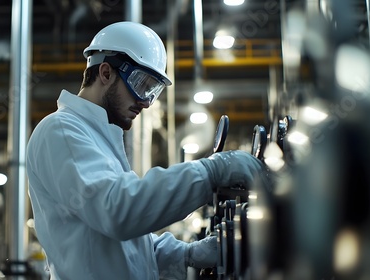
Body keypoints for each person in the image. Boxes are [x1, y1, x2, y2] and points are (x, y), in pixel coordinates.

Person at [26, 21, 267, 280]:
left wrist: (187, 254)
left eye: (153, 91)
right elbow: (119, 211)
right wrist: (209, 172)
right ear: (105, 73)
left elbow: (126, 249)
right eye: (141, 84)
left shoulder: (96, 136)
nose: (145, 102)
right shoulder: (61, 130)